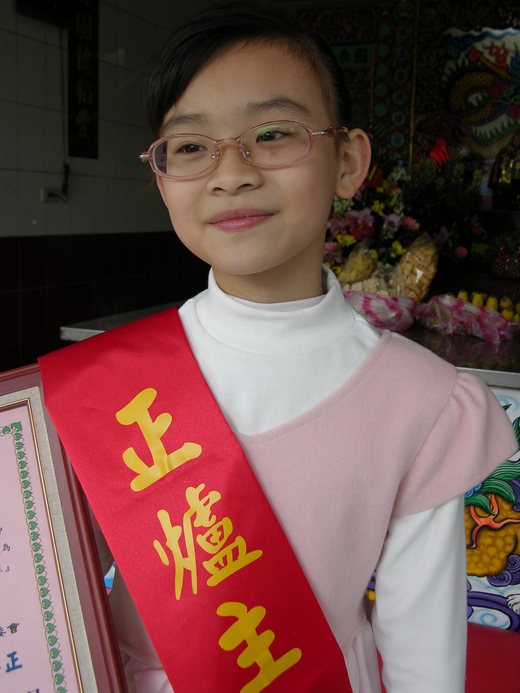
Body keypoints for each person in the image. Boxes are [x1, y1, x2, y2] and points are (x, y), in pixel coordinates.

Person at [39, 3, 518, 692]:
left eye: (271, 134)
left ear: (348, 161)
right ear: (161, 179)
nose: (230, 173)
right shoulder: (108, 385)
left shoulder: (421, 402)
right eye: (191, 147)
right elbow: (49, 593)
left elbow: (423, 656)